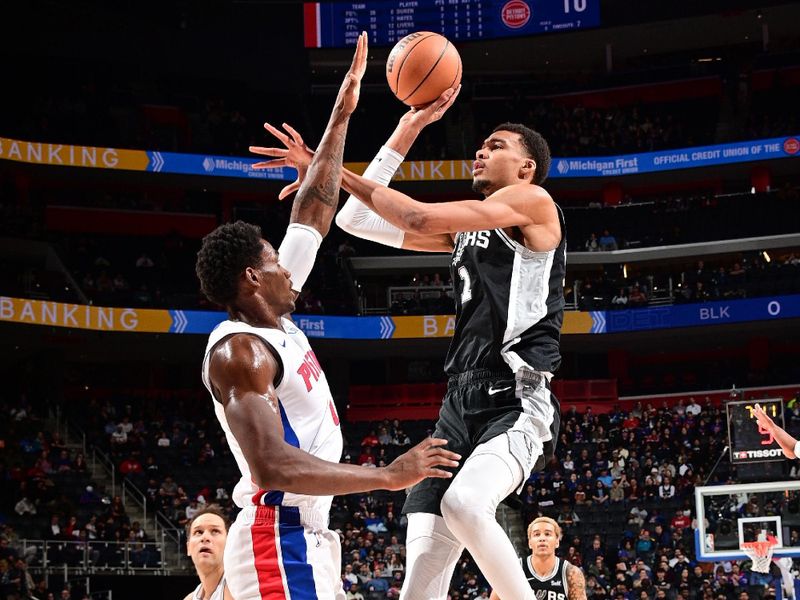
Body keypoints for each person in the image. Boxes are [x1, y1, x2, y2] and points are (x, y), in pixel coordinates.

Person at [253, 80, 564, 600]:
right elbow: (354, 221)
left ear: (527, 167)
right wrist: (408, 126)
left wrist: (329, 168)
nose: (481, 151)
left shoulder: (535, 202)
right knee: (419, 582)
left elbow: (416, 215)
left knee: (464, 505)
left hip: (516, 396)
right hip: (458, 404)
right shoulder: (468, 231)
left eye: (497, 145)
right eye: (482, 145)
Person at [196, 33, 459, 600]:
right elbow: (270, 467)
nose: (289, 270)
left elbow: (312, 211)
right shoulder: (238, 350)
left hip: (309, 537)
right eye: (274, 263)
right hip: (278, 537)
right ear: (250, 278)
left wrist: (342, 112)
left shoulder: (272, 322)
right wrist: (390, 476)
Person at [489, 517, 586, 600]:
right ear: (530, 543)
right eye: (536, 534)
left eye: (547, 534)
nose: (542, 538)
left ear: (557, 542)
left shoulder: (571, 573)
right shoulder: (514, 569)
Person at [184, 506, 233, 600]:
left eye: (215, 531)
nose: (205, 537)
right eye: (198, 532)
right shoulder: (190, 598)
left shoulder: (240, 590)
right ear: (188, 548)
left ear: (229, 544)